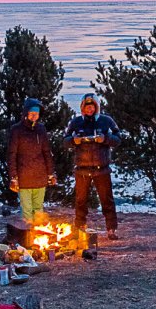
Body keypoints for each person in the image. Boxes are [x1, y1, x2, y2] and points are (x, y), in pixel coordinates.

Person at [64, 92, 122, 239]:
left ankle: (111, 229)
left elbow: (118, 139)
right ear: (83, 108)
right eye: (87, 107)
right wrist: (73, 141)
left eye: (92, 107)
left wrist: (105, 139)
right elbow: (65, 141)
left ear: (96, 107)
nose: (89, 110)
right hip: (82, 169)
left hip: (101, 169)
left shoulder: (106, 121)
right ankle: (80, 227)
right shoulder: (76, 122)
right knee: (80, 201)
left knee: (107, 200)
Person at [6, 97, 57, 225]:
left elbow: (47, 152)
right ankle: (28, 235)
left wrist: (50, 173)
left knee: (38, 209)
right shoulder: (16, 130)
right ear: (26, 113)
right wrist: (13, 176)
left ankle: (38, 235)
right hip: (24, 177)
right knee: (27, 210)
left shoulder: (41, 129)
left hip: (40, 175)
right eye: (32, 113)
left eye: (37, 113)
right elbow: (12, 154)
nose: (35, 116)